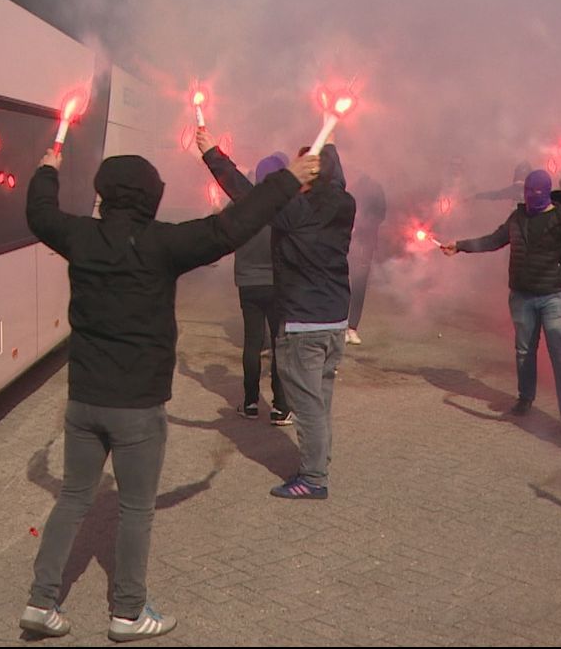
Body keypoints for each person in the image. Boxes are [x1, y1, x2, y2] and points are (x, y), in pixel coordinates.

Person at [20, 146, 318, 640]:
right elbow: (232, 227)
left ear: (105, 194)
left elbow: (39, 213)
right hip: (137, 407)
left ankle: (40, 601)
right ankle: (128, 613)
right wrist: (286, 180)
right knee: (137, 509)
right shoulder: (163, 244)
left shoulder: (80, 236)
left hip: (84, 400)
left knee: (73, 496)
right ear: (150, 197)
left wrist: (48, 165)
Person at [199, 130, 355, 500]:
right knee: (321, 400)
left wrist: (211, 154)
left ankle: (314, 478)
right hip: (335, 321)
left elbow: (250, 196)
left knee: (309, 406)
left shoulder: (298, 210)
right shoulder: (345, 203)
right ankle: (318, 463)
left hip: (305, 323)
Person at [441, 169, 561, 433]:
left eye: (536, 192)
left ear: (546, 193)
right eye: (528, 192)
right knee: (524, 352)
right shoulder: (518, 217)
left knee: (560, 355)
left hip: (554, 297)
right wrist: (461, 245)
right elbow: (493, 240)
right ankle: (525, 400)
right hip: (522, 296)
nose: (531, 197)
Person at [226, 153, 291, 422]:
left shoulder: (243, 204)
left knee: (252, 342)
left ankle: (251, 402)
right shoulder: (286, 206)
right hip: (277, 284)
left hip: (248, 282)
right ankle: (280, 407)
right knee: (280, 344)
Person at [345, 172, 387, 345]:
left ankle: (350, 327)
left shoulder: (373, 189)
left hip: (362, 243)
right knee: (354, 284)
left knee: (358, 283)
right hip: (353, 242)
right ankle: (349, 327)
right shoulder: (351, 186)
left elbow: (379, 215)